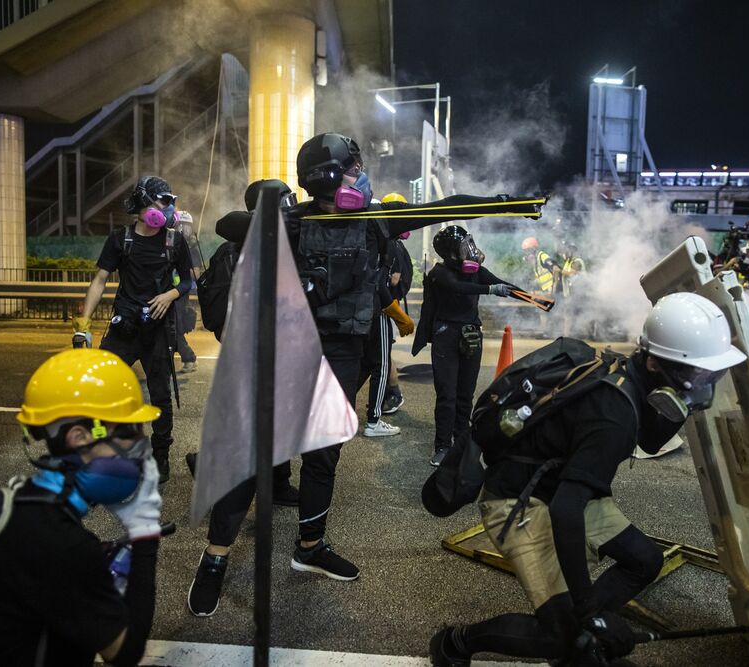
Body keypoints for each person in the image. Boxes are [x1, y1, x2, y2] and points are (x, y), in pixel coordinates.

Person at [212, 132, 542, 584]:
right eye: (352, 169)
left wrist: (505, 203)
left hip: (344, 352)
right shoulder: (294, 220)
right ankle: (215, 557)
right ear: (328, 178)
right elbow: (227, 225)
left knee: (324, 454)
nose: (360, 176)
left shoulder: (375, 221)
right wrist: (285, 216)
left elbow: (445, 209)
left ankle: (310, 547)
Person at [428, 292, 747, 666]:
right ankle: (456, 642)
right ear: (658, 364)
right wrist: (589, 611)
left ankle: (580, 642)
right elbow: (566, 511)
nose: (703, 385)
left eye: (711, 376)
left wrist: (682, 404)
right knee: (559, 634)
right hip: (519, 501)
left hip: (559, 484)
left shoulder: (630, 373)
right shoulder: (613, 416)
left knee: (644, 560)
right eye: (696, 374)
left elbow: (650, 438)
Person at [0, 348, 164, 666]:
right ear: (79, 436)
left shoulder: (20, 502)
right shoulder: (63, 544)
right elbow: (125, 652)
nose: (140, 444)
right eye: (129, 432)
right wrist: (145, 531)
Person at [185, 179, 303, 619]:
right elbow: (216, 317)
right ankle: (215, 558)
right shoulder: (234, 251)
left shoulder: (298, 246)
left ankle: (309, 543)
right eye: (285, 204)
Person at [73, 175, 193, 484]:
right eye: (162, 202)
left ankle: (161, 455)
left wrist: (171, 294)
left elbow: (189, 280)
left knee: (160, 397)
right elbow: (99, 279)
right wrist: (83, 324)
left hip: (157, 332)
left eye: (170, 203)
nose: (168, 209)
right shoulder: (120, 239)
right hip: (124, 328)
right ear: (143, 204)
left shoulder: (174, 240)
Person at [412, 225, 517, 467]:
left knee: (465, 394)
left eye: (470, 243)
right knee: (447, 394)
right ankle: (442, 446)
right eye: (463, 247)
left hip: (471, 335)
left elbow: (501, 283)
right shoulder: (439, 273)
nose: (470, 249)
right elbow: (459, 287)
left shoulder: (476, 271)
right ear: (451, 254)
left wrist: (530, 297)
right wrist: (490, 290)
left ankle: (461, 442)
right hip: (445, 336)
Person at [380, 192, 415, 416]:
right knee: (380, 354)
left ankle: (393, 394)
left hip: (385, 307)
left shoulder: (393, 245)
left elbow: (393, 280)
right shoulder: (392, 243)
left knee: (384, 354)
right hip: (386, 305)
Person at [172, 210, 204, 374]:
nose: (183, 229)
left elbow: (196, 273)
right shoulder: (170, 243)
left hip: (180, 294)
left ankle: (189, 358)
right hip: (166, 292)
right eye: (180, 225)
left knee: (173, 328)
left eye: (186, 226)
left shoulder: (192, 246)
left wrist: (183, 268)